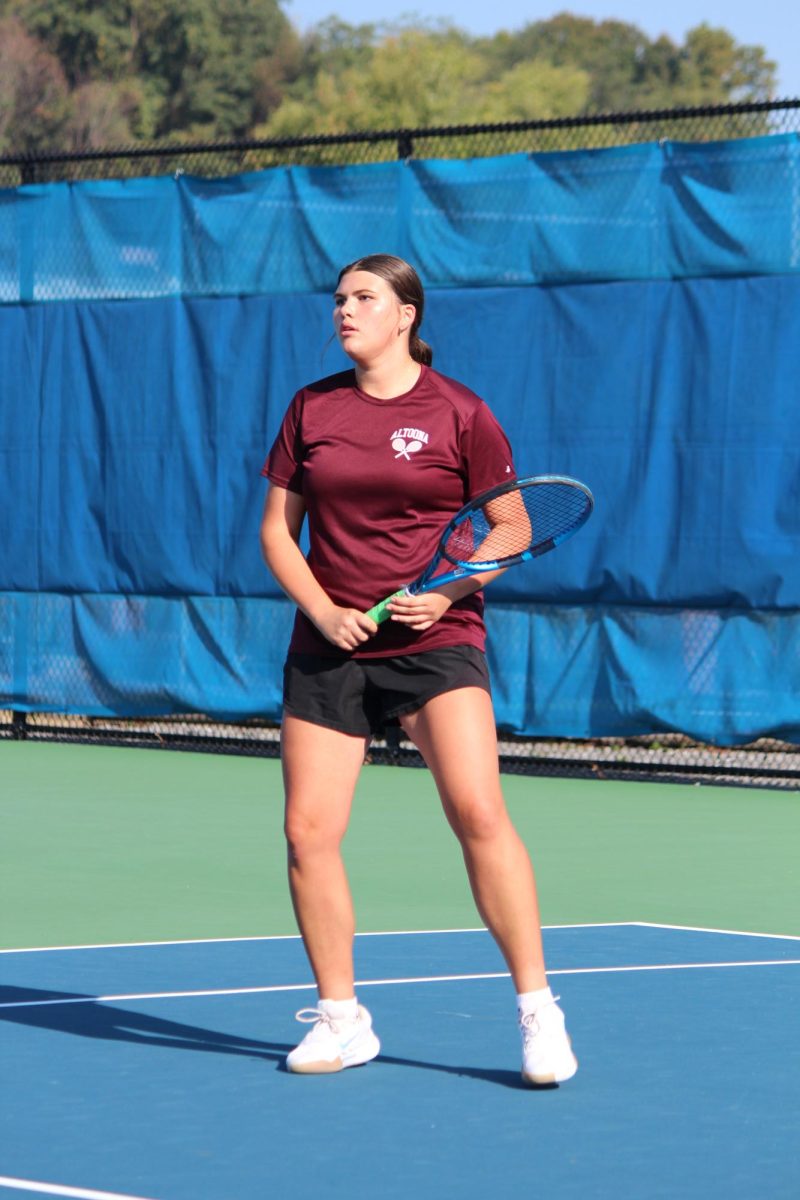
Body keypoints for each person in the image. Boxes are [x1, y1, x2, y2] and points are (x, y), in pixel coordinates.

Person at [259, 253, 577, 1086]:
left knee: (476, 810)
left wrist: (449, 592)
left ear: (406, 315)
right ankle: (341, 1020)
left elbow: (509, 529)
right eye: (339, 299)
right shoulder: (311, 407)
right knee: (307, 833)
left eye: (364, 298)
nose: (345, 310)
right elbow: (274, 532)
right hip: (331, 646)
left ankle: (539, 1013)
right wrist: (322, 609)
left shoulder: (460, 412)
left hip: (438, 640)